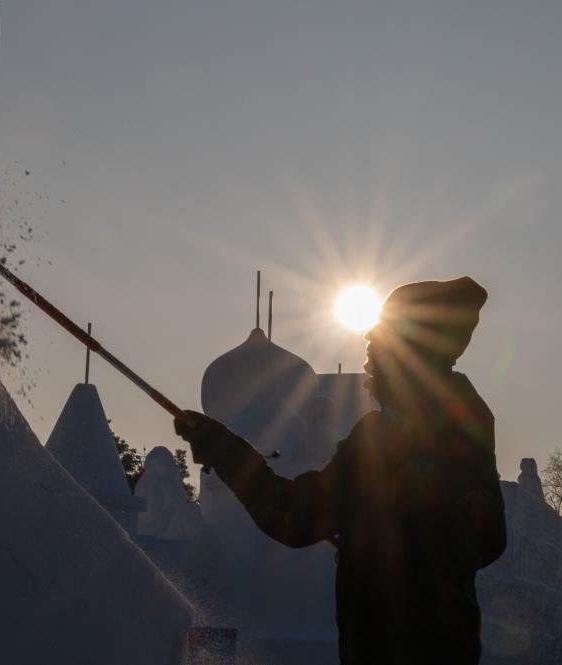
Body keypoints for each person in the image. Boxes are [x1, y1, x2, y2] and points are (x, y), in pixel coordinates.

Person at [175, 276, 507, 664]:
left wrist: (224, 448)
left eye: (379, 338)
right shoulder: (469, 421)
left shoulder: (386, 437)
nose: (367, 350)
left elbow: (293, 516)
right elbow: (489, 540)